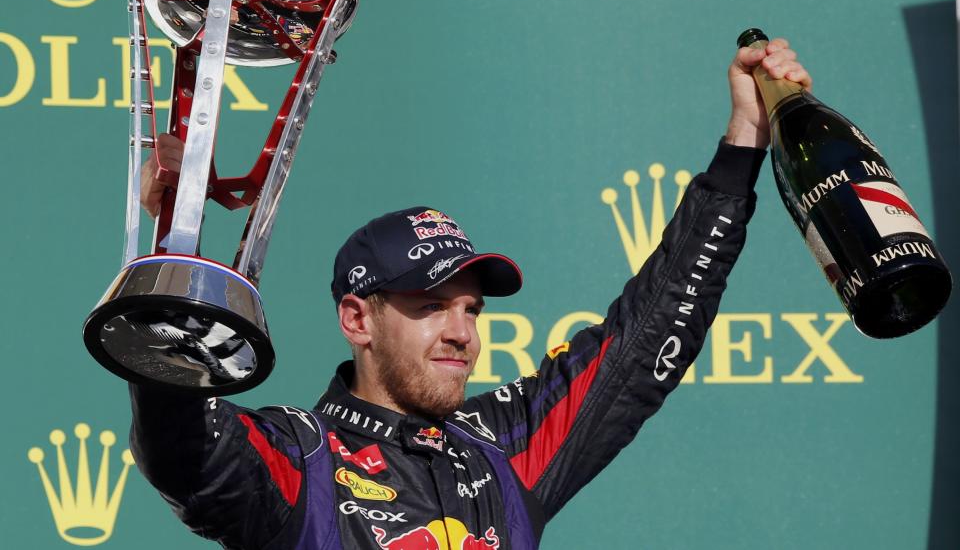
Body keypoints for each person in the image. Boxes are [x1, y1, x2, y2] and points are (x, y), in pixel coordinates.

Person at [130, 39, 811, 549]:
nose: (462, 331)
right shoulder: (301, 458)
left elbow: (645, 341)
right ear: (358, 318)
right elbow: (185, 452)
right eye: (431, 306)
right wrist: (170, 252)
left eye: (472, 308)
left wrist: (743, 144)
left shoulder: (502, 445)